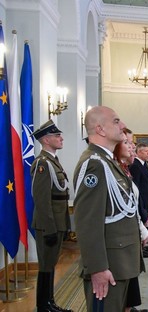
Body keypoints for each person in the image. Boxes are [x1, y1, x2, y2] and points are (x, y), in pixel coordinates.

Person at [73, 106, 140, 311]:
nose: (123, 125)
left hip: (121, 262)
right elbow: (88, 222)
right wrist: (98, 268)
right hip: (109, 264)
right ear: (100, 129)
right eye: (116, 121)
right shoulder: (94, 164)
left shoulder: (107, 162)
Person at [31, 120, 72, 312]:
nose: (61, 138)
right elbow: (42, 200)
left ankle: (50, 302)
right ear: (46, 140)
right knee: (46, 264)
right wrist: (49, 228)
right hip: (49, 224)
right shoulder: (42, 163)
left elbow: (60, 196)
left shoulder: (53, 161)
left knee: (51, 263)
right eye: (57, 135)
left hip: (57, 222)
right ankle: (44, 305)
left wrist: (64, 224)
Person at [114, 128, 148, 312]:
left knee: (131, 273)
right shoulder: (110, 169)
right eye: (128, 143)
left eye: (133, 144)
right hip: (120, 237)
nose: (132, 148)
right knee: (124, 275)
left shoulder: (125, 169)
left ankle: (130, 306)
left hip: (131, 229)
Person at [130, 143, 148, 244]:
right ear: (139, 152)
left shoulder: (144, 165)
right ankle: (141, 245)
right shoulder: (135, 166)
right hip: (141, 201)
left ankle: (144, 243)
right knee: (141, 224)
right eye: (146, 151)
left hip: (146, 200)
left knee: (145, 224)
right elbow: (136, 187)